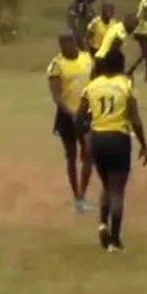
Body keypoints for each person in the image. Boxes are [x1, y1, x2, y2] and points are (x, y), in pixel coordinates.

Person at [76, 49, 147, 253]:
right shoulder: (126, 85)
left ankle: (102, 224)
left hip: (97, 139)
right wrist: (144, 144)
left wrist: (84, 141)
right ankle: (114, 240)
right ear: (121, 66)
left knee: (106, 184)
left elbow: (79, 118)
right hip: (118, 138)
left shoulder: (92, 86)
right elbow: (135, 119)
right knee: (117, 189)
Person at [47, 33, 95, 213]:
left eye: (69, 41)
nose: (66, 45)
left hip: (87, 113)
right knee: (71, 156)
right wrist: (71, 113)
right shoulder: (56, 65)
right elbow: (57, 96)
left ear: (75, 41)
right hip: (67, 117)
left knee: (89, 152)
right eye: (62, 43)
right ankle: (77, 197)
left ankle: (83, 191)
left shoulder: (87, 59)